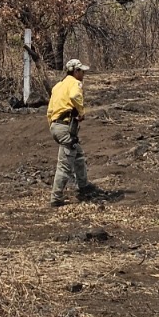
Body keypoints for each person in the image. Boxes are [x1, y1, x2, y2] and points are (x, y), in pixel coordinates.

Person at [47, 58, 99, 206]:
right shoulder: (75, 84)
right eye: (82, 71)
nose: (83, 74)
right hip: (65, 128)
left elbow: (50, 110)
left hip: (55, 126)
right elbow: (75, 96)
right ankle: (56, 198)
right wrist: (81, 112)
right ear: (75, 71)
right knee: (64, 164)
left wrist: (53, 126)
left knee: (78, 154)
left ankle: (84, 186)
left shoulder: (58, 86)